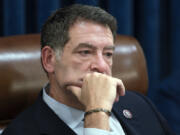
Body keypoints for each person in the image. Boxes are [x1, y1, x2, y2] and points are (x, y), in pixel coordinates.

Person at [2, 4, 174, 135]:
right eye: (85, 52)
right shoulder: (22, 131)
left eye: (108, 54)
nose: (101, 66)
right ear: (49, 59)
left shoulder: (138, 104)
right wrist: (97, 112)